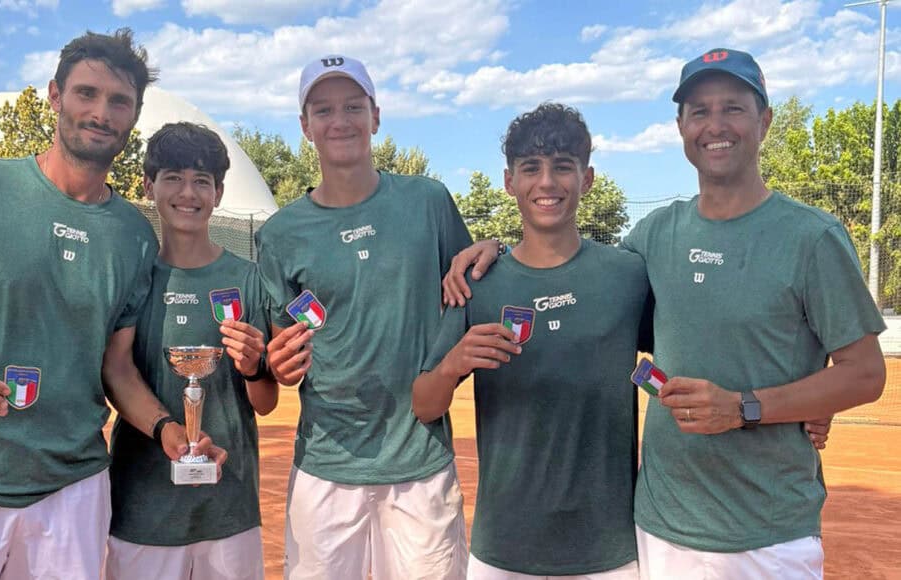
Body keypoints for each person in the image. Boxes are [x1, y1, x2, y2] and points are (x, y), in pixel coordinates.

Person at [442, 48, 886, 579]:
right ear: (681, 125)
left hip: (768, 535)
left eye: (733, 108)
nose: (715, 125)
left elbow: (864, 374)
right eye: (699, 111)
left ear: (764, 120)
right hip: (659, 532)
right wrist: (495, 247)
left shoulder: (812, 237)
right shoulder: (653, 239)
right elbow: (571, 274)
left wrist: (751, 406)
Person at [0, 29, 221, 579]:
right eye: (86, 93)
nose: (101, 112)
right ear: (55, 96)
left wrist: (166, 428)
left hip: (73, 486)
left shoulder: (134, 234)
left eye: (119, 102)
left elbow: (116, 366)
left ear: (133, 115)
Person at [255, 55, 472, 579]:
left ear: (375, 116)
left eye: (353, 106)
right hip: (327, 465)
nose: (341, 120)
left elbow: (470, 290)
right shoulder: (281, 234)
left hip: (420, 463)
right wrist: (280, 364)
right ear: (305, 127)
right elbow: (285, 354)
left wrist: (493, 248)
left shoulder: (428, 202)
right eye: (323, 109)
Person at [413, 102, 647, 580]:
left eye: (563, 167)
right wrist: (455, 362)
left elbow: (693, 344)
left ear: (588, 178)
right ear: (509, 181)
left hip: (610, 551)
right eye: (531, 168)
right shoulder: (477, 280)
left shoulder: (628, 275)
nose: (547, 183)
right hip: (504, 551)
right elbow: (423, 404)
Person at [102, 122, 276, 579]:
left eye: (202, 181)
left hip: (228, 508)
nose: (188, 193)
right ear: (148, 185)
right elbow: (115, 373)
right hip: (143, 509)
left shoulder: (248, 278)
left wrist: (255, 368)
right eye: (173, 177)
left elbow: (265, 401)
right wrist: (166, 428)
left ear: (218, 192)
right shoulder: (131, 277)